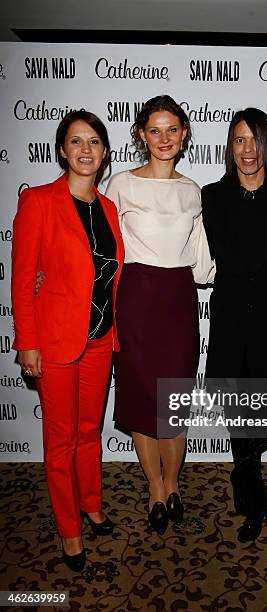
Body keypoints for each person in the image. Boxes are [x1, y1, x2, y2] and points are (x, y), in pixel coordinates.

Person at [11, 110, 124, 572]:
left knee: (89, 432)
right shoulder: (38, 202)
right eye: (76, 141)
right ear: (61, 149)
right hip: (54, 342)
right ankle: (68, 528)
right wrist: (27, 343)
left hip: (100, 339)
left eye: (94, 141)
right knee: (60, 442)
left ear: (104, 152)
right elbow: (21, 282)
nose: (85, 150)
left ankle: (91, 503)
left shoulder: (109, 208)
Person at [105, 95, 213, 535]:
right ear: (141, 135)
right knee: (141, 399)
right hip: (135, 299)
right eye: (155, 130)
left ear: (184, 133)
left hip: (177, 299)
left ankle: (174, 485)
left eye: (172, 129)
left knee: (173, 401)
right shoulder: (119, 185)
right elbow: (104, 251)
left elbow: (203, 258)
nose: (164, 138)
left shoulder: (192, 190)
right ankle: (154, 488)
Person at [201, 108, 267, 542]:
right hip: (227, 323)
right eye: (239, 140)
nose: (247, 149)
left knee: (259, 413)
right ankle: (251, 490)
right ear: (230, 146)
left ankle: (251, 494)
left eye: (254, 139)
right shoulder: (212, 194)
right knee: (235, 413)